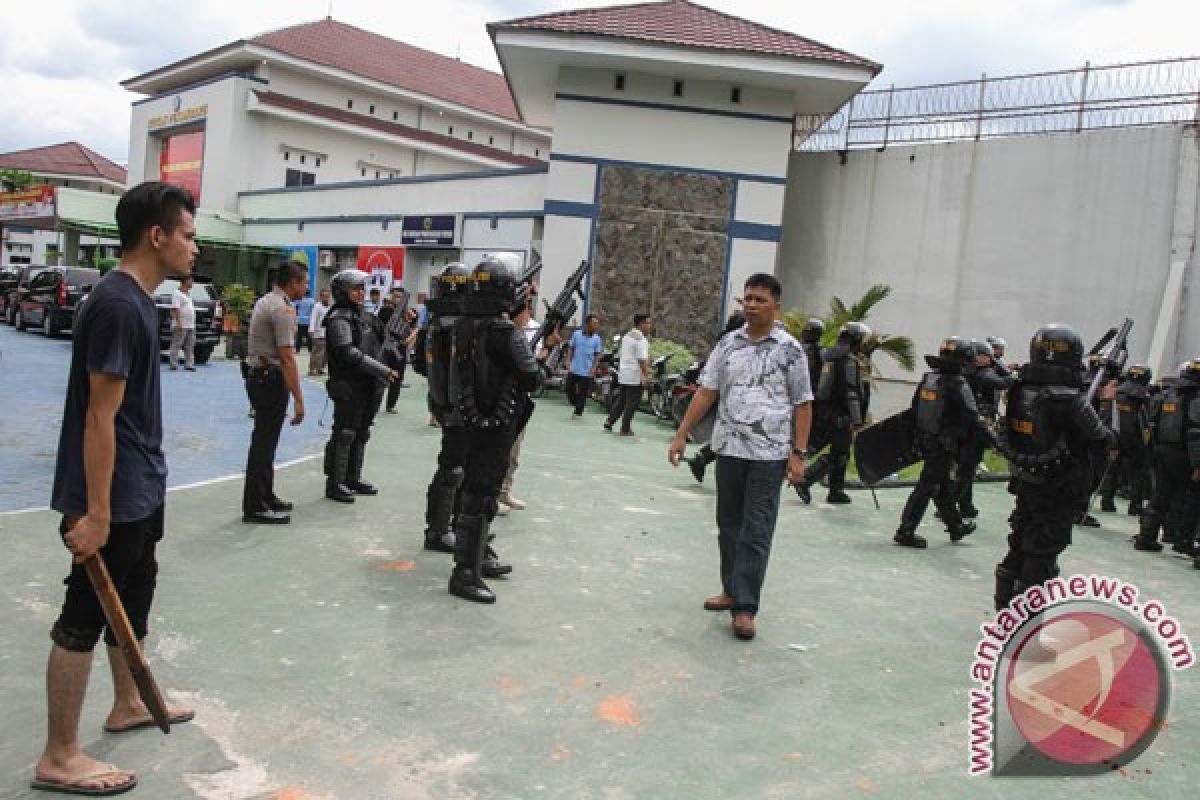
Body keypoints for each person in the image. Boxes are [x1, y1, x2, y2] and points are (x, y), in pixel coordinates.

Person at [33, 182, 197, 797]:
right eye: (186, 234)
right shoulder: (117, 305)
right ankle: (59, 754)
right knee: (84, 612)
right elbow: (98, 417)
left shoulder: (137, 301)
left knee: (133, 596)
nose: (194, 248)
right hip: (113, 493)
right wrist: (96, 512)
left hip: (140, 486)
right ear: (156, 236)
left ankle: (126, 700)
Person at [669, 273, 812, 641]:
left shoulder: (790, 349)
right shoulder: (728, 344)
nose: (751, 305)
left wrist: (797, 454)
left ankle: (746, 607)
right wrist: (682, 433)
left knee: (757, 528)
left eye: (759, 299)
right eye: (747, 298)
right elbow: (706, 391)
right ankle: (731, 589)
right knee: (729, 524)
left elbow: (803, 403)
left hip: (769, 454)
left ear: (775, 305)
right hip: (729, 449)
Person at [421, 258, 540, 603]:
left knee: (472, 489)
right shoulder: (503, 332)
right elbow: (532, 377)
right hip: (491, 424)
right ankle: (466, 571)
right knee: (480, 494)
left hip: (469, 419)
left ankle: (473, 559)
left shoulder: (461, 325)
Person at [993, 324, 1115, 610]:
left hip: (1027, 479)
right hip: (1060, 485)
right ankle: (1026, 627)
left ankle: (1004, 613)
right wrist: (1106, 408)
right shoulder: (1070, 399)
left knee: (1019, 546)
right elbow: (1101, 439)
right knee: (1042, 556)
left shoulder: (1020, 388)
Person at [893, 337, 993, 548]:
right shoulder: (958, 382)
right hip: (944, 445)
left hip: (927, 439)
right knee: (926, 487)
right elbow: (972, 415)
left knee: (943, 486)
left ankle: (955, 526)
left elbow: (913, 410)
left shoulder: (928, 378)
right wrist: (994, 440)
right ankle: (906, 530)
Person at [241, 259, 309, 524]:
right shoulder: (281, 310)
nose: (306, 287)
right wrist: (299, 400)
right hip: (269, 378)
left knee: (266, 443)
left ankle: (264, 495)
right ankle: (255, 505)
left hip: (261, 376)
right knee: (263, 445)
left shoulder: (268, 300)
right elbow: (287, 357)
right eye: (304, 281)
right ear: (292, 282)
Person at [323, 270, 398, 502]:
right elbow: (349, 352)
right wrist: (382, 370)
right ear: (343, 292)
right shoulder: (339, 319)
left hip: (367, 383)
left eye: (361, 288)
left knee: (362, 432)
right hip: (348, 383)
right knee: (345, 433)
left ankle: (353, 476)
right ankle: (336, 482)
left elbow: (384, 337)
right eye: (355, 289)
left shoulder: (363, 316)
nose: (360, 293)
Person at [792, 321, 871, 504]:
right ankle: (806, 479)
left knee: (837, 450)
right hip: (841, 415)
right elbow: (851, 392)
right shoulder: (848, 360)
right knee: (839, 453)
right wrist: (857, 420)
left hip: (825, 410)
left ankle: (836, 491)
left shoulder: (829, 355)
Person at [1132, 359, 1200, 560]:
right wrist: (1198, 464)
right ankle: (1183, 540)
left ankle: (1146, 536)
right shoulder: (1196, 399)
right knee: (1192, 498)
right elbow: (1195, 433)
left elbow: (1151, 425)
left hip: (1162, 452)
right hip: (1185, 455)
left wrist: (1152, 452)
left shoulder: (1167, 395)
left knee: (1160, 495)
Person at [684, 310, 747, 482]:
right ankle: (702, 458)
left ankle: (702, 458)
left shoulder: (728, 339)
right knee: (731, 433)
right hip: (725, 395)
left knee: (729, 433)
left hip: (725, 395)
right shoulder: (731, 342)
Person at [953, 339, 1011, 519]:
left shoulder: (967, 370)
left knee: (966, 468)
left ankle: (965, 505)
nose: (991, 358)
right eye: (987, 355)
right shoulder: (981, 373)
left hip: (965, 426)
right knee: (967, 468)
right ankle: (949, 505)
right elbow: (1003, 382)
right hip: (975, 427)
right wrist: (1017, 376)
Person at [1099, 364, 1154, 517]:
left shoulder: (1117, 392)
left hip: (1115, 435)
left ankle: (1106, 501)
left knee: (1112, 469)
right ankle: (1135, 505)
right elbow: (1147, 420)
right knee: (1139, 473)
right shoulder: (1144, 396)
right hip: (1135, 439)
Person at [604, 313, 652, 436]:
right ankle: (625, 429)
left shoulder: (626, 337)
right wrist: (646, 375)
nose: (649, 326)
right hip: (635, 375)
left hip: (624, 374)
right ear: (641, 324)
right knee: (632, 403)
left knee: (621, 400)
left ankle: (610, 421)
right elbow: (642, 359)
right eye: (647, 323)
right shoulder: (640, 339)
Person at [565, 314, 603, 417]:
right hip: (574, 368)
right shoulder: (577, 334)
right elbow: (571, 348)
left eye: (597, 324)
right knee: (568, 388)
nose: (596, 326)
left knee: (583, 393)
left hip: (587, 371)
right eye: (594, 323)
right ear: (587, 324)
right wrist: (568, 361)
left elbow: (597, 355)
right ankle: (576, 403)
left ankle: (578, 413)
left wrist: (594, 368)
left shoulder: (596, 339)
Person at [167, 273, 197, 371]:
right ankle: (173, 363)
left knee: (190, 345)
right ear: (185, 281)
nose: (192, 283)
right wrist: (178, 322)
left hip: (190, 324)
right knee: (177, 344)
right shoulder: (177, 293)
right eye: (191, 281)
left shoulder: (188, 294)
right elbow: (176, 309)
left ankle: (189, 364)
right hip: (181, 324)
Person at [308, 287, 331, 376]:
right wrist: (311, 330)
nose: (326, 298)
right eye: (324, 296)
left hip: (327, 333)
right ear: (321, 297)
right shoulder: (317, 306)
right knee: (317, 352)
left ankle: (320, 368)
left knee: (325, 353)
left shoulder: (329, 307)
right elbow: (313, 318)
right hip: (318, 333)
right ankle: (312, 368)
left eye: (328, 296)